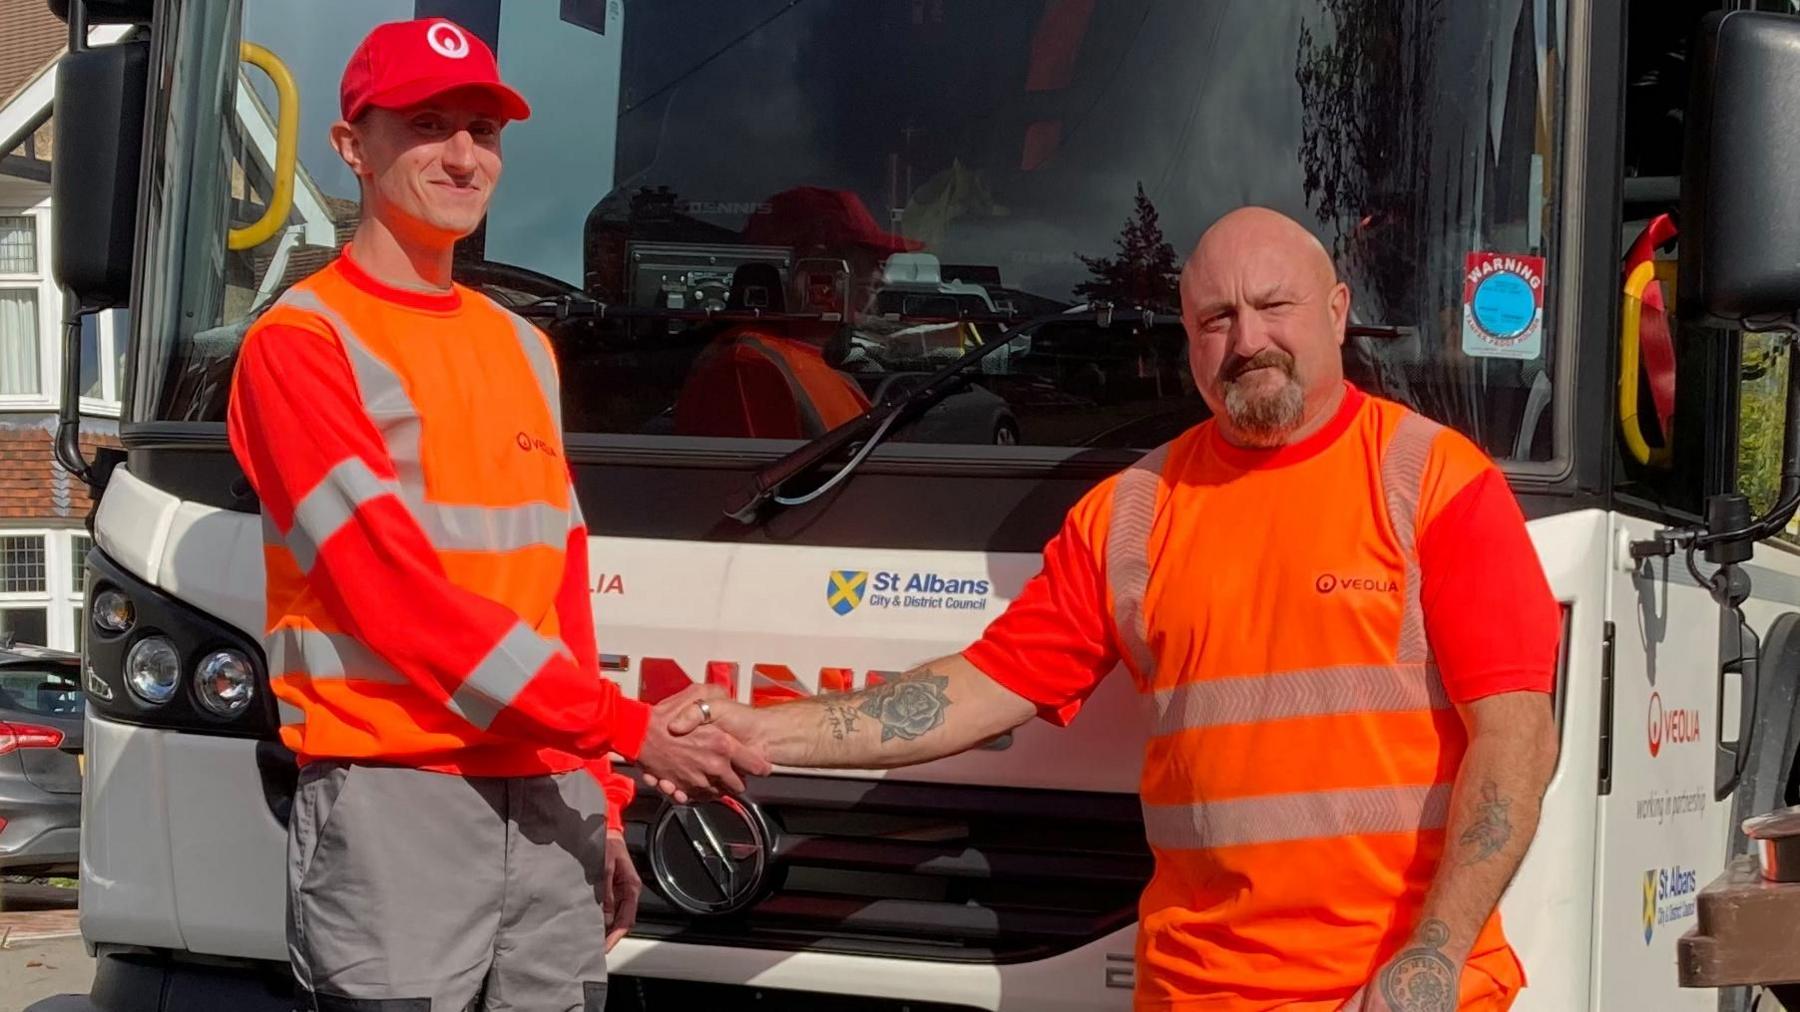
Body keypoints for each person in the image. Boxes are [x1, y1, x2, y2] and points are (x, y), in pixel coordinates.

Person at [665, 206, 1562, 1011]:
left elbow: (1517, 739)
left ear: (1336, 313)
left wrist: (1433, 960)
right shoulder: (1131, 514)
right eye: (1217, 318)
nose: (1248, 340)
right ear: (1190, 340)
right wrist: (762, 731)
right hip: (1198, 994)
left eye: (1273, 307)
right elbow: (977, 690)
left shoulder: (1435, 485)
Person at [226, 18, 765, 1011]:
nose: (464, 155)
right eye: (428, 124)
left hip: (551, 792)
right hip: (396, 792)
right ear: (352, 146)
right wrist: (624, 727)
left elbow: (560, 584)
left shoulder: (522, 348)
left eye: (485, 128)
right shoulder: (303, 344)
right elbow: (394, 598)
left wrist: (599, 796)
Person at [671, 187, 919, 438]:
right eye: (872, 261)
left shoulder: (809, 364)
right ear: (818, 269)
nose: (883, 278)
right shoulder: (749, 370)